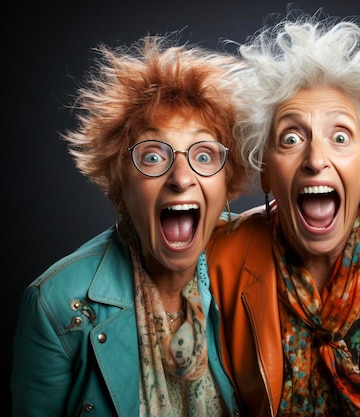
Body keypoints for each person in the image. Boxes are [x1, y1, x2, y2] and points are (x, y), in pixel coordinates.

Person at [206, 11, 360, 417]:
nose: (315, 159)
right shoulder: (219, 259)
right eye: (291, 138)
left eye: (340, 136)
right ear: (267, 174)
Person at [11, 34, 247, 416]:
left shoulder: (255, 267)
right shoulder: (54, 306)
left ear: (227, 185)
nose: (181, 177)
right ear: (120, 185)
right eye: (153, 156)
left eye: (204, 155)